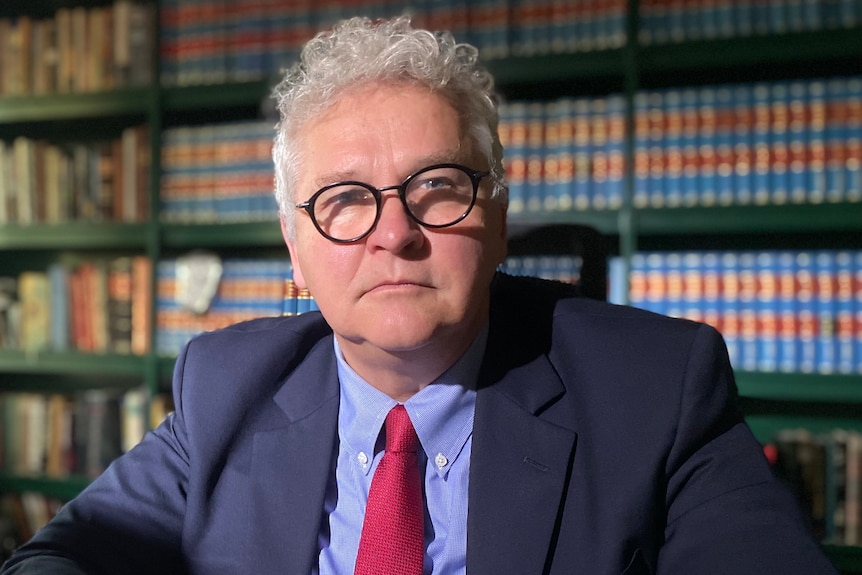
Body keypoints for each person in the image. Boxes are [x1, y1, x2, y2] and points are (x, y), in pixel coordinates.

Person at [1, 16, 837, 575]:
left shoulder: (657, 388)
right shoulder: (225, 382)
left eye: (435, 187)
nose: (392, 233)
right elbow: (59, 557)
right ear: (296, 247)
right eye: (344, 200)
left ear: (499, 217)